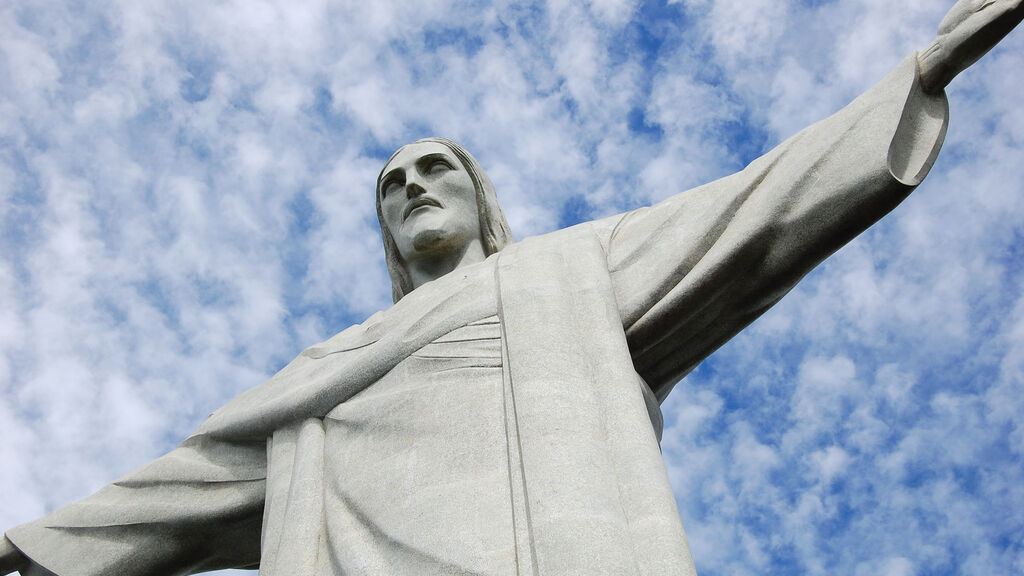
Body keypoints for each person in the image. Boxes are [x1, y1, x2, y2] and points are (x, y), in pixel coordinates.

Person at [2, 1, 1021, 575]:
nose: (411, 189)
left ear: (479, 195)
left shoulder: (569, 272)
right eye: (390, 186)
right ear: (387, 235)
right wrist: (26, 549)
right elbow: (180, 484)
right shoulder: (328, 373)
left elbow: (752, 215)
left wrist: (916, 77)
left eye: (434, 169)